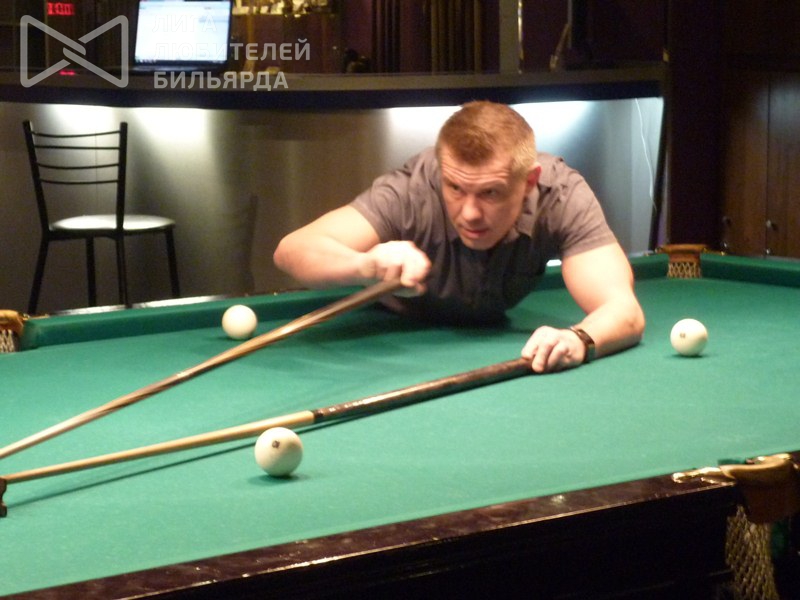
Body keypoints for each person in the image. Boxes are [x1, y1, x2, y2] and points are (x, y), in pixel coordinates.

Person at [274, 101, 645, 373]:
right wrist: (365, 264)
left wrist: (580, 338)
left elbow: (623, 310)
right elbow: (293, 250)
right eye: (455, 188)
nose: (469, 213)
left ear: (529, 181)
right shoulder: (412, 192)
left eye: (490, 193)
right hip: (392, 330)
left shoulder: (561, 196)